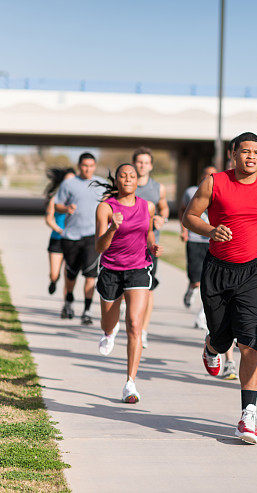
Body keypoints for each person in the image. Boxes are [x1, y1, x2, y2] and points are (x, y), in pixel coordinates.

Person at [182, 132, 257, 445]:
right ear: (233, 154)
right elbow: (188, 217)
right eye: (245, 152)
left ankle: (248, 416)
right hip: (218, 271)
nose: (251, 157)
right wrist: (211, 230)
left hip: (256, 271)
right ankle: (212, 345)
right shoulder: (215, 183)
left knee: (250, 342)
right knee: (223, 335)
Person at [93, 163, 161, 403]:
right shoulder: (105, 208)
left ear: (137, 180)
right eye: (123, 175)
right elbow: (99, 246)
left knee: (134, 323)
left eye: (132, 175)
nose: (129, 179)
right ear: (117, 181)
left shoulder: (147, 206)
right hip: (111, 270)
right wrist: (113, 227)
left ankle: (130, 383)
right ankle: (109, 331)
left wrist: (153, 246)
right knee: (108, 321)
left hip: (139, 269)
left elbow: (148, 232)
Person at [180, 165, 237, 380]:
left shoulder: (239, 190)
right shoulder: (197, 190)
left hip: (229, 251)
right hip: (199, 240)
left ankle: (230, 362)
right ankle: (216, 346)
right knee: (199, 282)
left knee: (236, 313)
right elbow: (186, 213)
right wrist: (184, 231)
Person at [55, 152, 106, 325]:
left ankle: (87, 310)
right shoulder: (69, 184)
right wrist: (66, 208)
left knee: (91, 275)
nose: (88, 169)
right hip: (71, 236)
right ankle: (68, 301)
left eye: (91, 166)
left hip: (93, 236)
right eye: (85, 166)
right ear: (79, 166)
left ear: (95, 166)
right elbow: (57, 205)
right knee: (71, 274)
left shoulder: (102, 184)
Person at [133, 147, 169, 349]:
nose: (142, 166)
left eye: (146, 162)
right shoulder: (126, 183)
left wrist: (162, 218)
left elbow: (164, 208)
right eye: (139, 162)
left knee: (148, 288)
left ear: (151, 165)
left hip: (149, 245)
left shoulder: (158, 188)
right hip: (127, 245)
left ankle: (143, 330)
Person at [44, 167, 75, 295]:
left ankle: (67, 303)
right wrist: (59, 230)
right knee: (54, 274)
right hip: (57, 238)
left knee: (69, 275)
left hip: (73, 240)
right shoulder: (55, 198)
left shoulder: (79, 199)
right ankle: (53, 280)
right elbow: (49, 219)